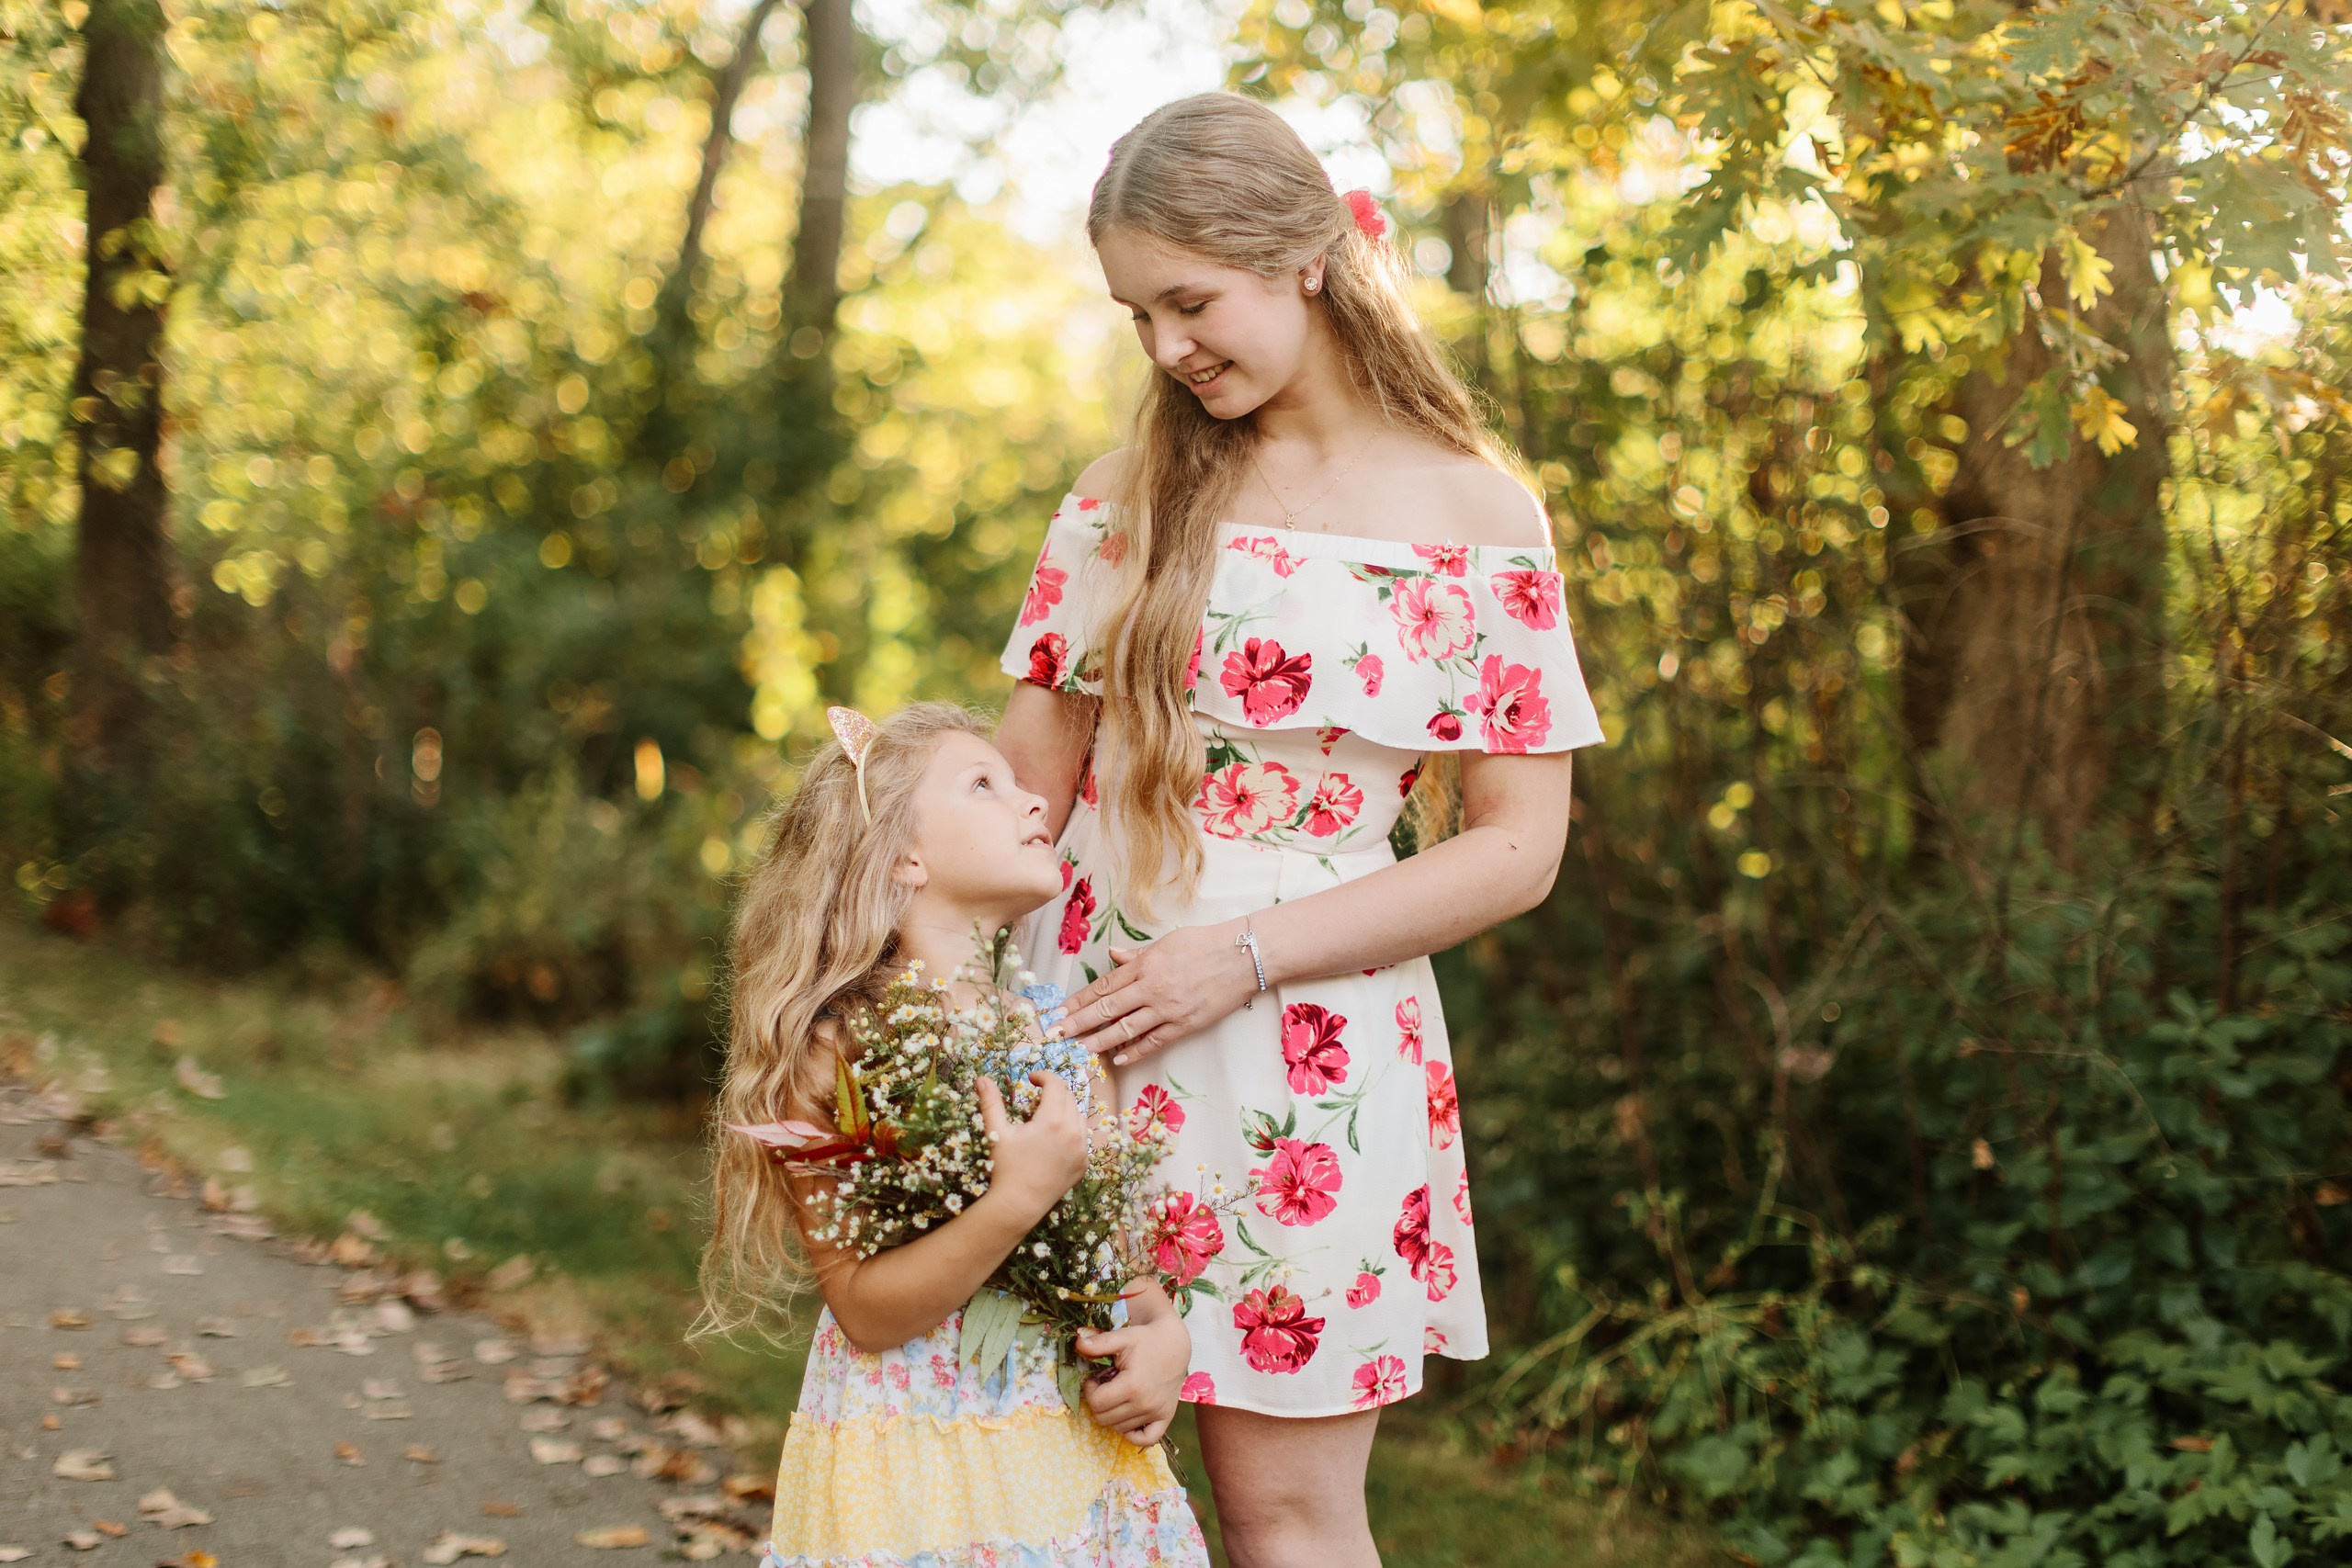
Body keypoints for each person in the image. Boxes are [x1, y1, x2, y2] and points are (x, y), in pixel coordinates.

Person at [994, 94, 1605, 1567]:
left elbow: (1516, 846)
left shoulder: (1478, 517)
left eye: (1191, 302)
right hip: (1080, 1030)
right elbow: (1023, 796)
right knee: (1036, 1491)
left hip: (1308, 1058)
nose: (1166, 347)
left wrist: (1244, 954)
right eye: (1139, 315)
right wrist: (958, 1018)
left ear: (1305, 257)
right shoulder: (1120, 500)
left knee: (1288, 1516)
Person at [700, 702, 1212, 1568]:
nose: (1034, 801)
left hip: (1067, 1454)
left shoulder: (1063, 1041)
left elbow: (1115, 1260)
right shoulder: (842, 1048)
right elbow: (863, 1309)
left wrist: (1164, 1336)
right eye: (984, 784)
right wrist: (1014, 1200)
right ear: (905, 854)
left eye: (1017, 784)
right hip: (919, 1463)